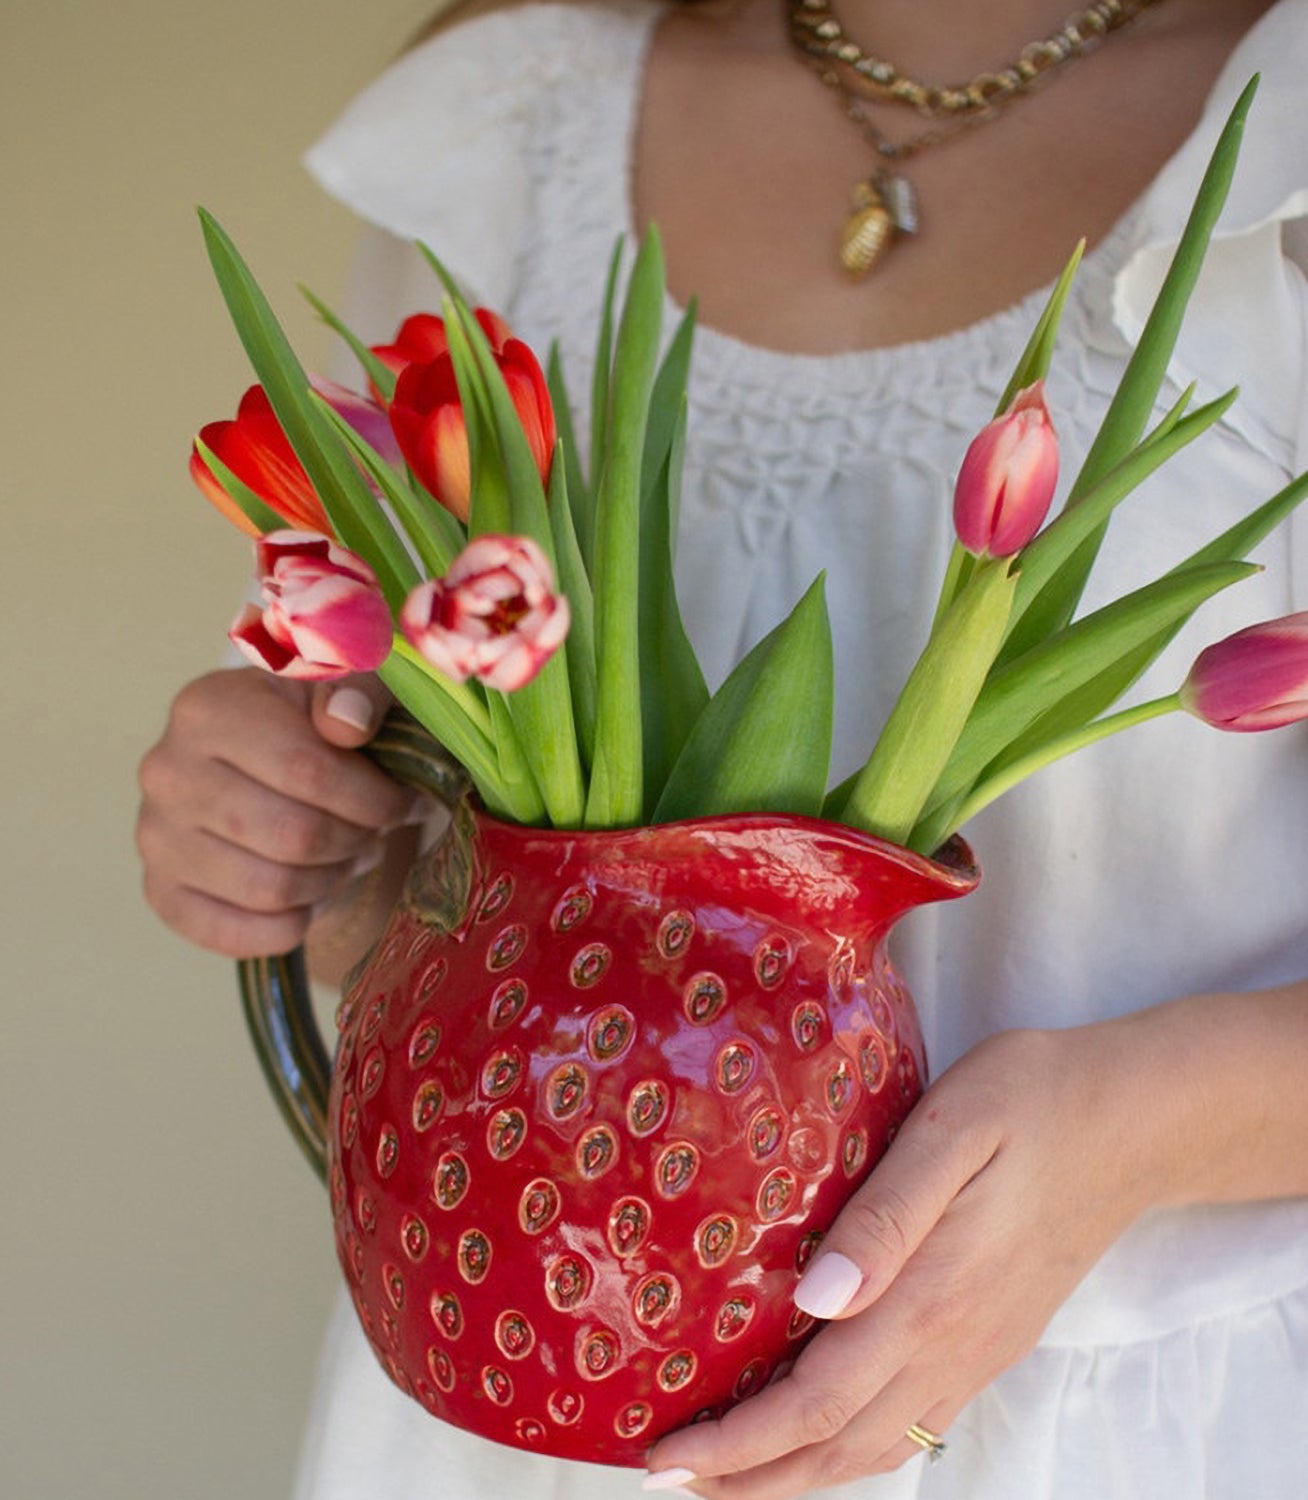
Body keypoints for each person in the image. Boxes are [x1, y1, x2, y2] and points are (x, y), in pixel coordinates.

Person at [136, 1, 1308, 1495]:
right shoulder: (518, 116)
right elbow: (424, 884)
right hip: (529, 1387)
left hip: (1134, 1418)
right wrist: (297, 843)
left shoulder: (1286, 124)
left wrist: (1138, 1128)